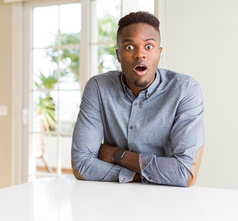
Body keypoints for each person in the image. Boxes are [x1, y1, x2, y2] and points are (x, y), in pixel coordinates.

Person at [71, 11, 204, 187]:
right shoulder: (98, 88)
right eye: (129, 47)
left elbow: (185, 173)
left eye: (148, 46)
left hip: (168, 205)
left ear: (159, 53)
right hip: (109, 201)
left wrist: (117, 155)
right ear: (118, 55)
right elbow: (81, 165)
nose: (140, 54)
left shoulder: (186, 90)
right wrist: (151, 174)